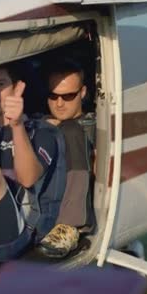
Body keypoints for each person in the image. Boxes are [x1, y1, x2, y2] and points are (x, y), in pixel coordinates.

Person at [0, 63, 62, 265]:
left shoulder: (41, 132)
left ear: (17, 88)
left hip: (20, 235)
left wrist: (16, 125)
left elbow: (28, 178)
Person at [36, 59, 95, 258]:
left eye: (68, 96)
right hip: (38, 207)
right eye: (53, 96)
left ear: (83, 92)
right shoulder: (41, 123)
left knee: (71, 129)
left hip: (65, 212)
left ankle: (71, 225)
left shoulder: (83, 128)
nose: (59, 103)